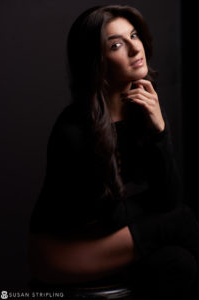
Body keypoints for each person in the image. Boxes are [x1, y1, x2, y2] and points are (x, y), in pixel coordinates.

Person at [28, 5, 199, 299]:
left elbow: (169, 197)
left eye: (135, 35)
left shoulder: (145, 107)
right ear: (97, 61)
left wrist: (160, 132)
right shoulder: (73, 129)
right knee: (180, 221)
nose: (135, 48)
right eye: (117, 44)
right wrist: (155, 209)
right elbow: (103, 217)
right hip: (66, 249)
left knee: (177, 263)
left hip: (111, 239)